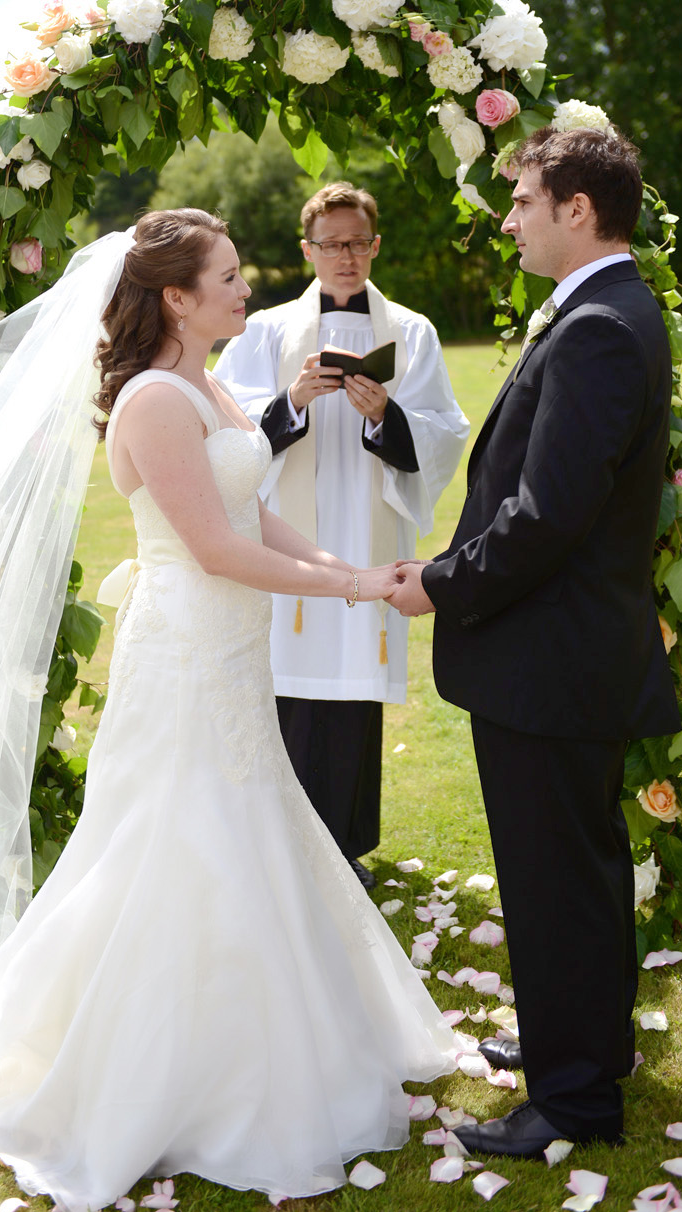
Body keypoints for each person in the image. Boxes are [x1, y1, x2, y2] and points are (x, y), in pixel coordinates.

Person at [0, 210, 474, 1209]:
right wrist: (347, 595)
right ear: (176, 295)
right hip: (188, 647)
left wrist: (347, 565)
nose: (248, 289)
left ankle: (264, 1030)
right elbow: (212, 546)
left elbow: (256, 511)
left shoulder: (206, 383)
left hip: (232, 645)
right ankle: (158, 1066)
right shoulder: (158, 401)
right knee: (178, 833)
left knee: (247, 817)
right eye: (230, 276)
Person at [389, 128, 680, 1157]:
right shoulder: (605, 311)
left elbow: (545, 515)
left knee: (557, 879)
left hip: (550, 663)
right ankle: (578, 1044)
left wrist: (437, 584)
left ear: (578, 211)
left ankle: (573, 1103)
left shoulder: (600, 327)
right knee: (576, 872)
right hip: (563, 660)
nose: (507, 218)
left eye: (522, 201)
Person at [215, 183, 469, 889]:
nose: (346, 256)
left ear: (375, 245)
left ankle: (344, 845)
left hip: (366, 535)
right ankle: (279, 846)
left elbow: (446, 431)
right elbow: (224, 429)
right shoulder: (265, 332)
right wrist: (290, 402)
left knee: (351, 693)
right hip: (288, 543)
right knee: (286, 693)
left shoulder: (410, 331)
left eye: (359, 241)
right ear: (308, 250)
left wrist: (387, 417)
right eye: (331, 243)